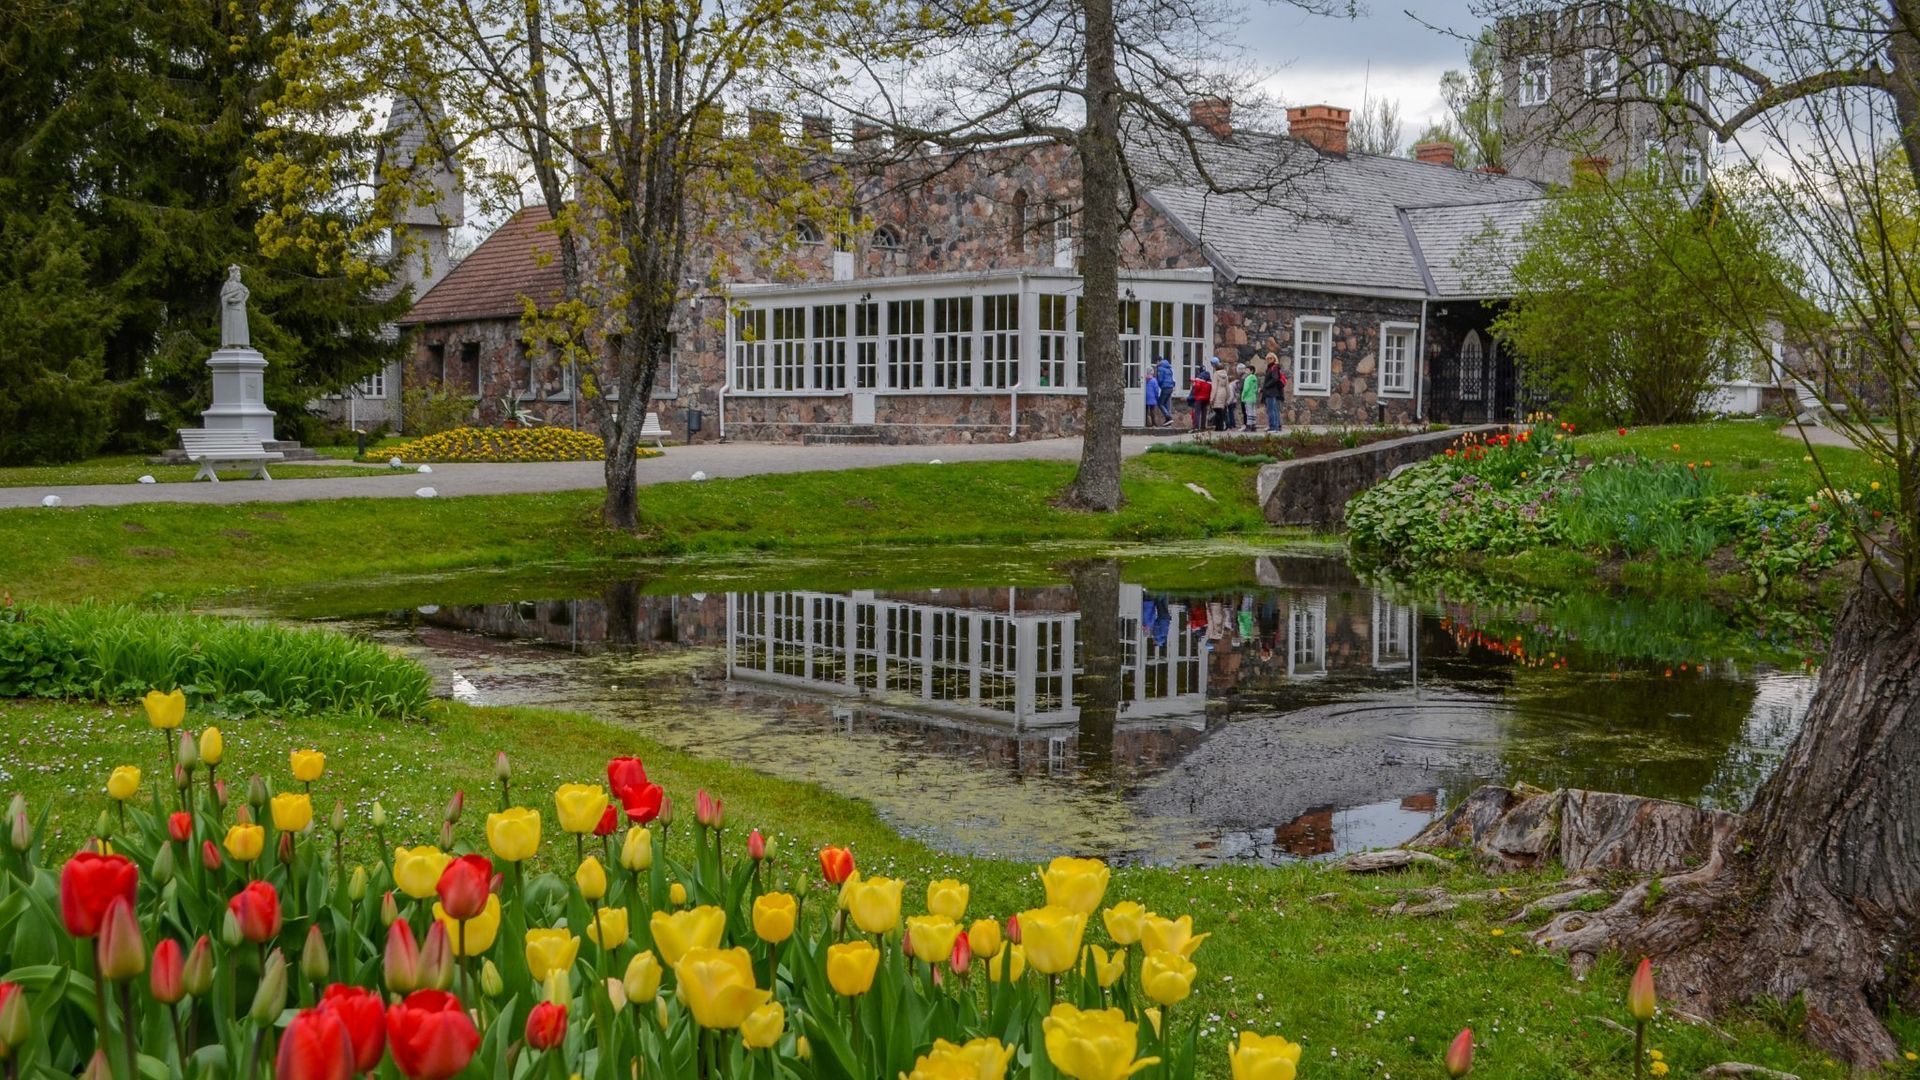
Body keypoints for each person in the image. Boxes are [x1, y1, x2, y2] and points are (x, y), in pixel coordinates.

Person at [1261, 357, 1287, 432]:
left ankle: (1273, 427)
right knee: (1274, 409)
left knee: (1271, 410)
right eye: (1267, 358)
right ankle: (1276, 426)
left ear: (1274, 359)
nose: (1268, 360)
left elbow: (1275, 379)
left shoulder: (1274, 367)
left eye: (1270, 358)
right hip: (1272, 391)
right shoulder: (1272, 368)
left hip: (1271, 392)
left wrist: (1267, 386)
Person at [1210, 359, 1234, 431]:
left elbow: (1214, 387)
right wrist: (1228, 396)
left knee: (1217, 411)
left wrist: (1211, 398)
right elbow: (1227, 386)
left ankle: (1218, 427)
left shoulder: (1216, 374)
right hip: (1223, 393)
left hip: (1218, 393)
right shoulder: (1225, 375)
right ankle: (1222, 426)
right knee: (1222, 412)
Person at [1153, 356, 1175, 425]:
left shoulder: (1160, 368)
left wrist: (1158, 384)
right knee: (1166, 404)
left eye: (1156, 362)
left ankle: (1168, 417)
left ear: (1158, 361)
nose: (1156, 364)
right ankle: (1168, 421)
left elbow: (1160, 379)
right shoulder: (1169, 368)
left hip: (1165, 387)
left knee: (1160, 403)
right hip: (1170, 387)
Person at [1188, 363, 1212, 429]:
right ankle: (1203, 426)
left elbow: (1197, 386)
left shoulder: (1199, 377)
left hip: (1199, 397)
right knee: (1204, 412)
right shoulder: (1209, 378)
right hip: (1206, 398)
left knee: (1197, 412)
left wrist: (1194, 394)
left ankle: (1196, 426)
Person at [1239, 363, 1260, 431]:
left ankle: (1248, 425)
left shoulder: (1247, 378)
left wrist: (1243, 396)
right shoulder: (1255, 378)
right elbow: (1256, 388)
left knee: (1248, 412)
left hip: (1247, 397)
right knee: (1253, 411)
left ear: (1251, 371)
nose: (1246, 371)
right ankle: (1253, 425)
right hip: (1253, 397)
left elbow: (1246, 388)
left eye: (1247, 370)